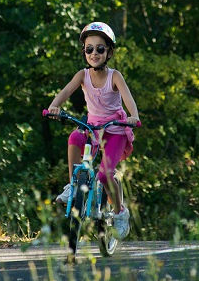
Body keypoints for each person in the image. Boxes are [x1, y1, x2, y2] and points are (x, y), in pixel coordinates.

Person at [46, 22, 140, 240]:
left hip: (115, 130)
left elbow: (128, 99)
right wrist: (54, 106)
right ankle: (72, 184)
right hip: (92, 128)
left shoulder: (115, 76)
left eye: (100, 49)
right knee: (74, 136)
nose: (94, 53)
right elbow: (66, 90)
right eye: (89, 49)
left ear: (109, 52)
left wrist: (133, 116)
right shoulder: (82, 75)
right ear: (84, 52)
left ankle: (119, 212)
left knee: (105, 174)